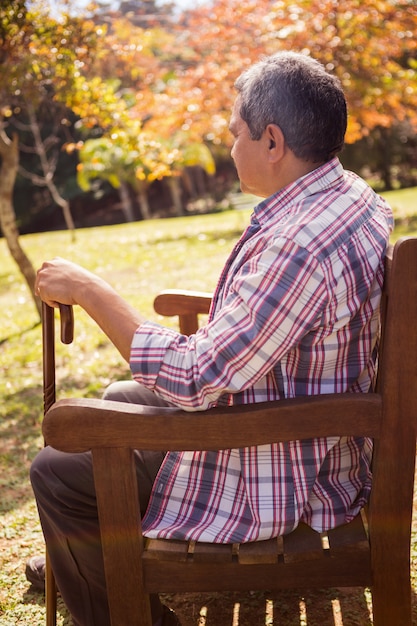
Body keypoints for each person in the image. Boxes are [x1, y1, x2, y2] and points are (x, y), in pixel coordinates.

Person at [28, 51, 393, 626]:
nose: (229, 148)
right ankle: (86, 554)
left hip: (285, 474)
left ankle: (124, 613)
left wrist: (93, 292)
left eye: (234, 134)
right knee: (118, 398)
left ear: (272, 142)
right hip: (307, 431)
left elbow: (199, 379)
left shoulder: (299, 244)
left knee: (57, 466)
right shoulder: (349, 197)